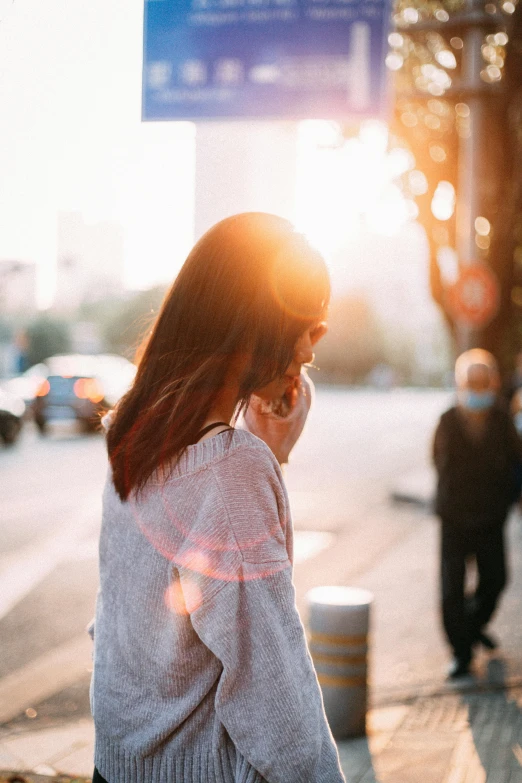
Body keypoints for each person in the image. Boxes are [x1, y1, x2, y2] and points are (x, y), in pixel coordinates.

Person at [89, 213, 345, 783]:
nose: (310, 349)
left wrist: (269, 456)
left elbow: (126, 627)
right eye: (306, 323)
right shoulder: (230, 469)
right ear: (256, 321)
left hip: (121, 767)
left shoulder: (134, 435)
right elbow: (275, 693)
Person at [433, 349, 522, 679]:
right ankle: (461, 652)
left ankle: (472, 626)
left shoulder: (502, 421)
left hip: (490, 517)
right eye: (472, 383)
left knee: (496, 580)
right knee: (451, 588)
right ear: (461, 384)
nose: (478, 389)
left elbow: (517, 462)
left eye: (483, 382)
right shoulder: (447, 421)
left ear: (494, 384)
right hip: (454, 516)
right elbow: (439, 463)